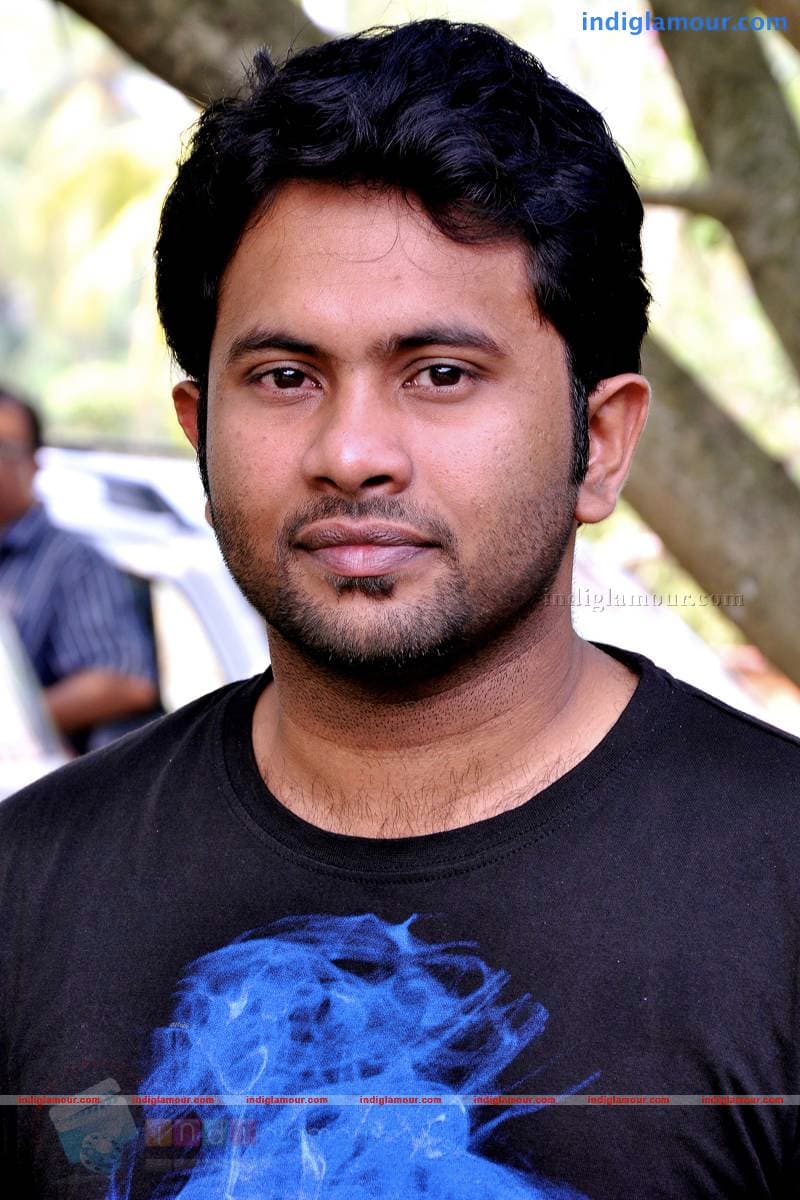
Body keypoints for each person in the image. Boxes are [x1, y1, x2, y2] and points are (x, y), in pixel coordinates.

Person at [1, 18, 798, 1200]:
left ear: (599, 442)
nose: (351, 451)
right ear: (198, 432)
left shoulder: (777, 892)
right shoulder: (30, 893)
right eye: (285, 377)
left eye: (439, 374)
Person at [0, 387, 160, 752]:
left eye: (3, 449)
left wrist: (16, 723)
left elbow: (125, 681)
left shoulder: (73, 563)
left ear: (34, 462)